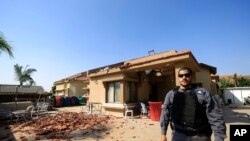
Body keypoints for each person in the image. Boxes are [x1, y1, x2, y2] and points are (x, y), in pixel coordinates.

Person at [160, 67, 226, 141]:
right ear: (178, 78)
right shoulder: (171, 94)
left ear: (191, 77)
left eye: (187, 75)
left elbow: (215, 117)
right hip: (178, 135)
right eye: (181, 76)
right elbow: (165, 114)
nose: (184, 77)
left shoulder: (203, 93)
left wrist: (219, 138)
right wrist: (163, 133)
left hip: (200, 136)